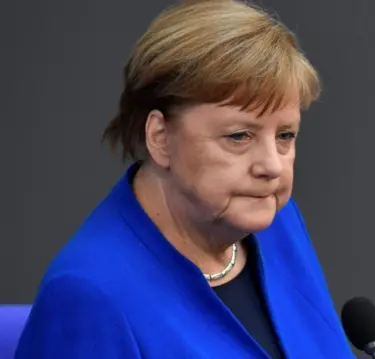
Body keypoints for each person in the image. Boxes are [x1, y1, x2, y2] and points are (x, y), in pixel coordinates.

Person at [15, 1, 355, 358]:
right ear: (160, 137)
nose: (271, 166)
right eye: (239, 136)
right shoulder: (88, 298)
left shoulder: (276, 224)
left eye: (285, 136)